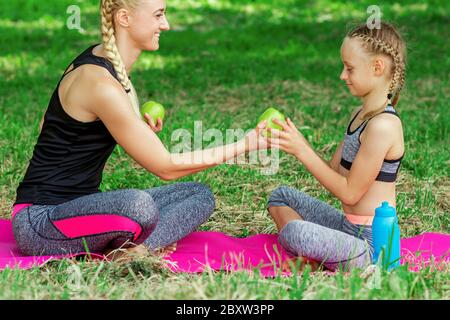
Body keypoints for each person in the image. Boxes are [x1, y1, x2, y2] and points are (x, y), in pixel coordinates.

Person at [11, 0, 267, 258]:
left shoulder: (104, 64)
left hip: (82, 209)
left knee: (198, 194)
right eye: (158, 15)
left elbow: (49, 124)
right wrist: (244, 145)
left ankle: (131, 249)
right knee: (138, 207)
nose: (165, 25)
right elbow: (165, 167)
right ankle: (134, 246)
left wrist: (133, 127)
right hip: (41, 223)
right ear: (124, 18)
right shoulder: (101, 84)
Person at [266, 22, 406, 271]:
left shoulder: (383, 126)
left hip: (371, 245)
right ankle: (315, 254)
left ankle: (310, 253)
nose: (342, 75)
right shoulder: (359, 114)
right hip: (346, 225)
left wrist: (302, 150)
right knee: (280, 196)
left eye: (349, 68)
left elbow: (350, 193)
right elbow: (334, 172)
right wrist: (298, 143)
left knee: (297, 232)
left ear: (377, 67)